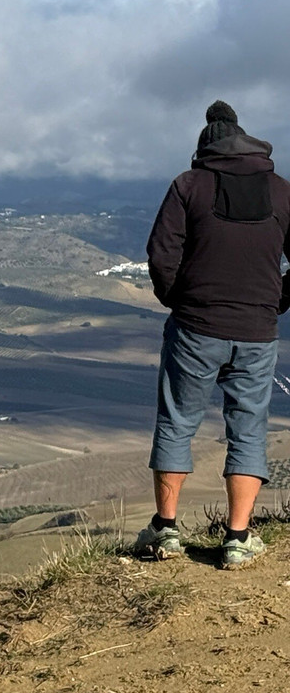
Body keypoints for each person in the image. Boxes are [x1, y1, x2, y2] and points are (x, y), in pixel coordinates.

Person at [139, 100, 290, 568]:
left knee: (177, 421)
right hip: (258, 330)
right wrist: (276, 301)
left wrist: (181, 302)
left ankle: (165, 531)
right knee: (248, 427)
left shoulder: (188, 186)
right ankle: (238, 537)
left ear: (205, 147)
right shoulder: (282, 192)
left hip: (195, 328)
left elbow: (162, 255)